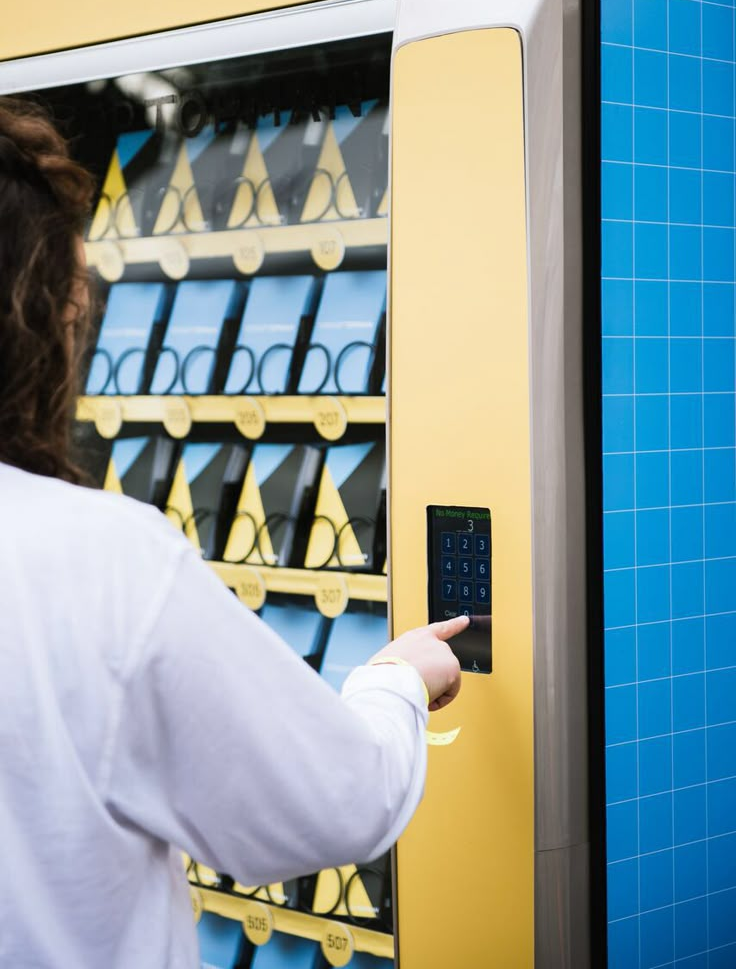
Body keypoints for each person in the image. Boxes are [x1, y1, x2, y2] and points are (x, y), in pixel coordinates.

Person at [0, 96, 468, 968]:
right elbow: (334, 800)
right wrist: (399, 678)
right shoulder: (103, 562)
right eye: (75, 307)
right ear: (36, 322)